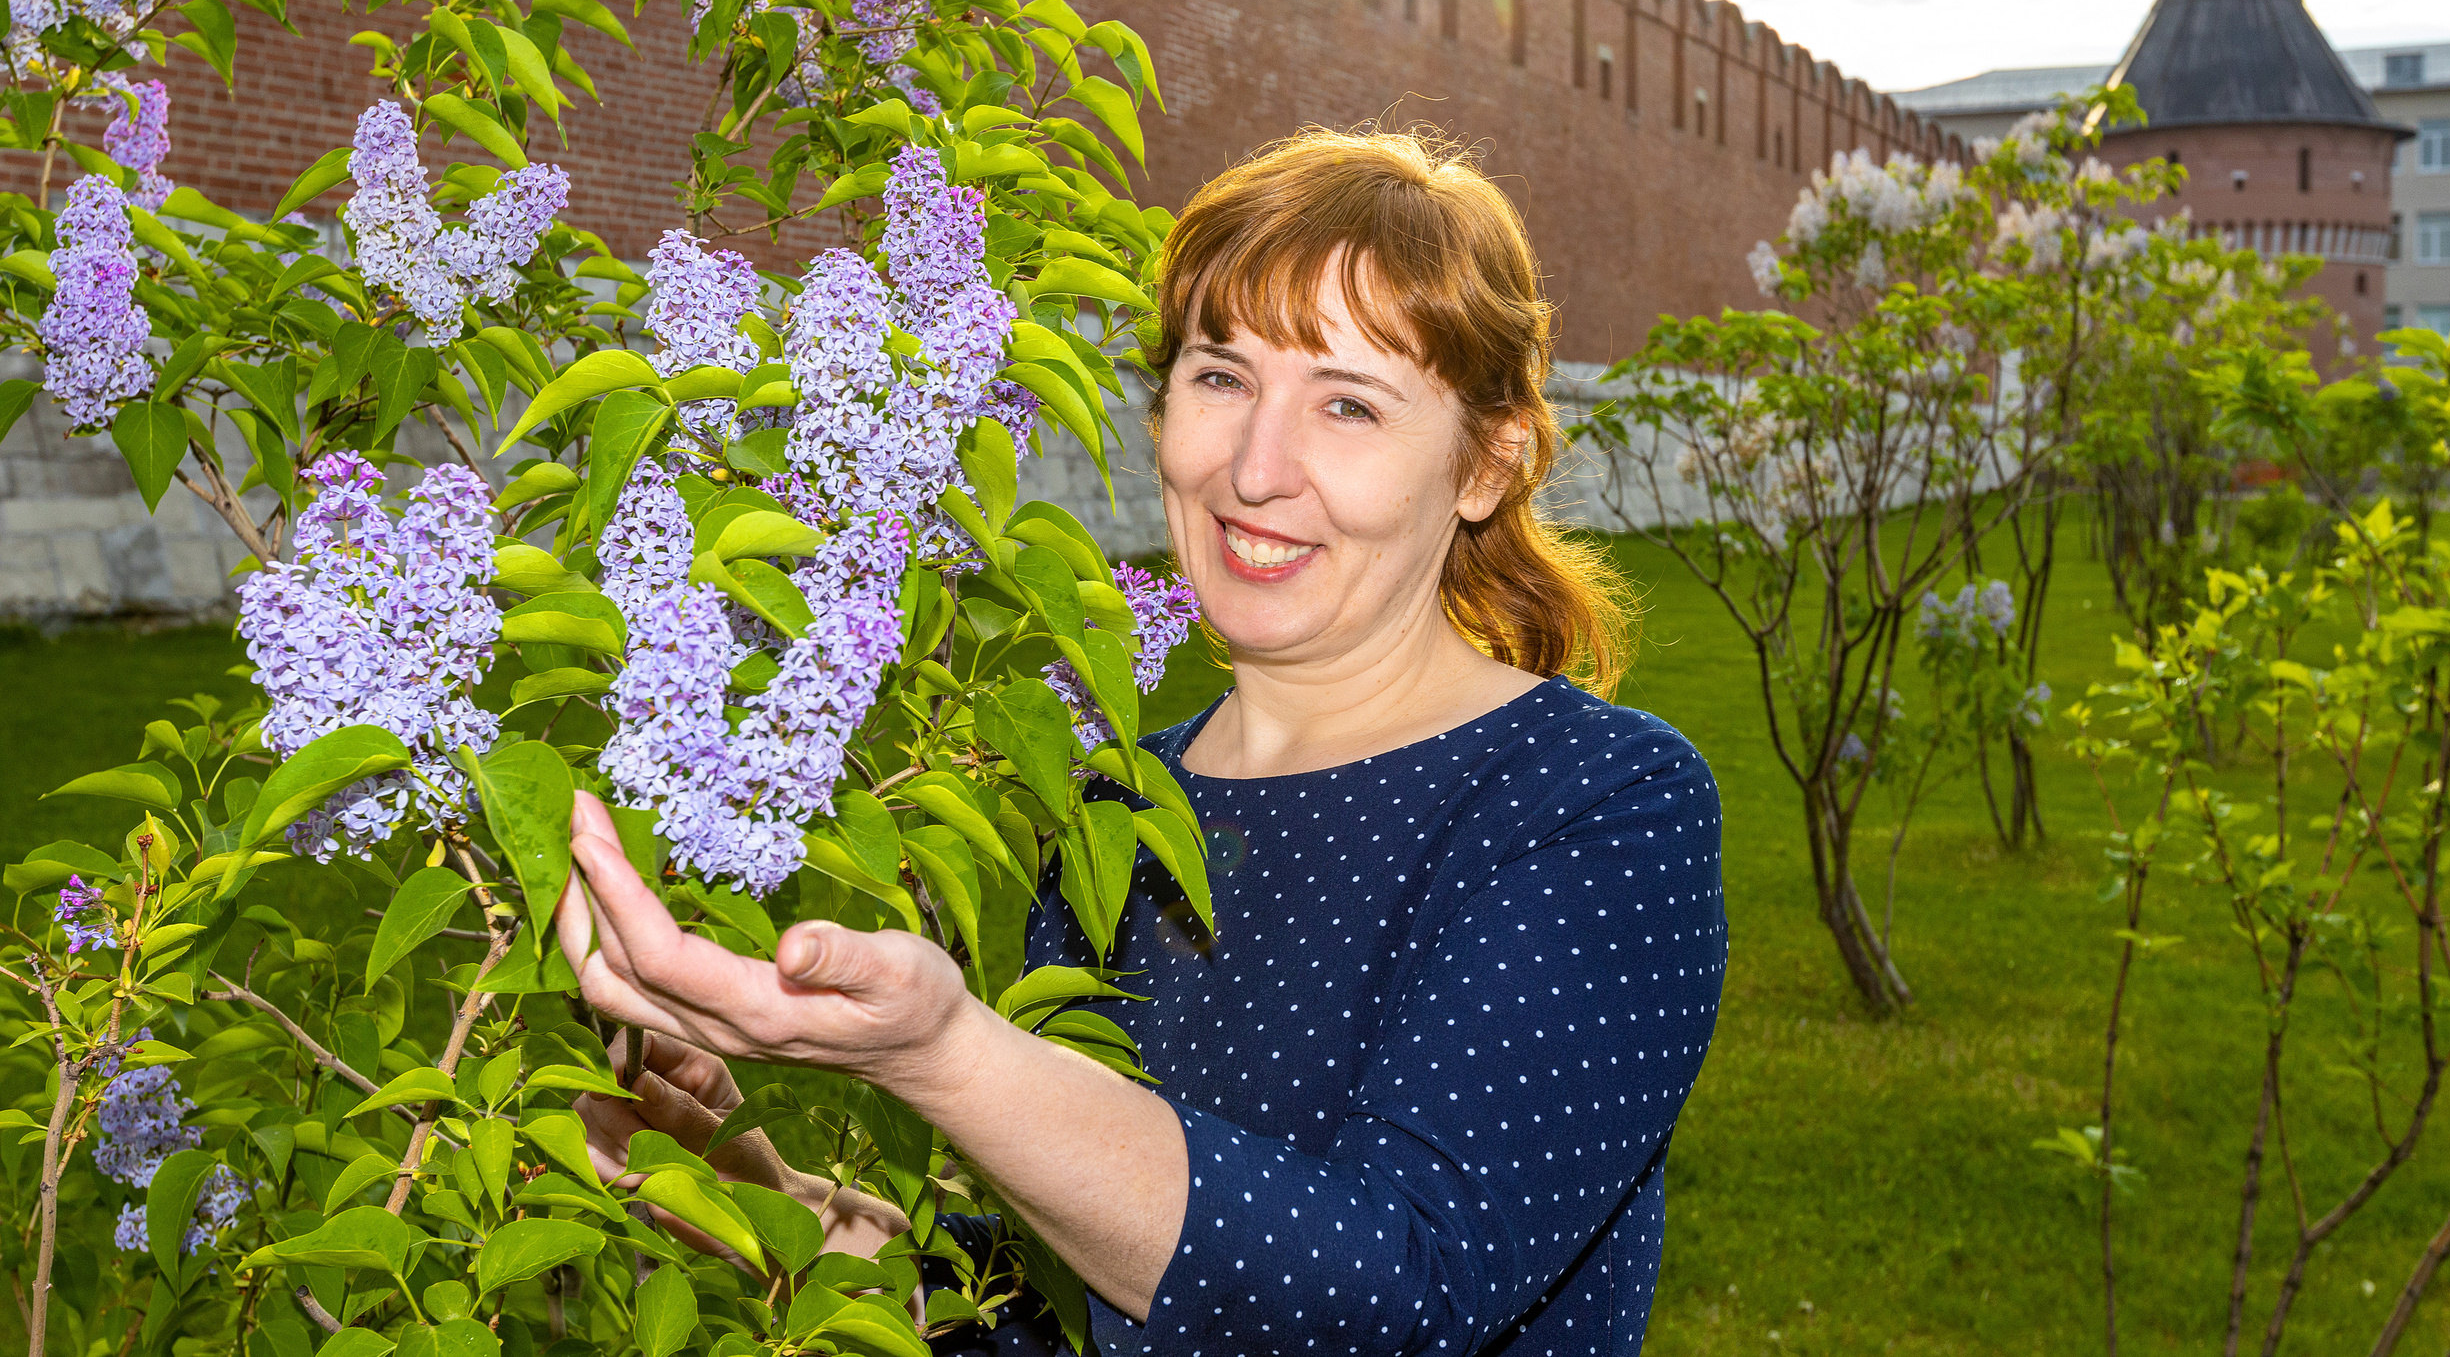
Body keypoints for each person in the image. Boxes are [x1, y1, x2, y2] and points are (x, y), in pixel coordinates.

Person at [560, 127, 1728, 1355]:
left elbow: (1403, 1289)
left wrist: (950, 1056)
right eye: (1221, 377)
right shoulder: (1116, 805)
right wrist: (755, 1193)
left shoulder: (1595, 802)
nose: (1254, 469)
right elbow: (1050, 1308)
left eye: (1347, 402)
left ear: (1484, 466)